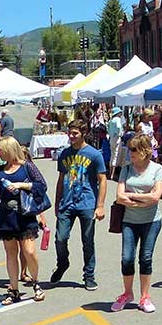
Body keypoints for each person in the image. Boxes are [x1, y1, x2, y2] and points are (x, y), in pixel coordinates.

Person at [0, 137, 47, 304]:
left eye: (0, 150)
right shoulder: (0, 170)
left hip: (24, 214)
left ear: (9, 150)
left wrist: (21, 185)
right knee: (11, 253)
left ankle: (36, 282)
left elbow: (41, 186)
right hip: (7, 216)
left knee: (29, 252)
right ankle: (14, 289)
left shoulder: (27, 166)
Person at [50, 119, 107, 291]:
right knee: (60, 238)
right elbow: (61, 180)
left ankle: (89, 275)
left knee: (87, 240)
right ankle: (62, 263)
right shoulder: (64, 154)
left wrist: (100, 205)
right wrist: (57, 201)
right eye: (70, 132)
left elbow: (102, 180)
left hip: (87, 203)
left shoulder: (94, 154)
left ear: (83, 133)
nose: (71, 136)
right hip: (66, 203)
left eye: (75, 133)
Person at [112, 135, 162, 312]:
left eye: (134, 151)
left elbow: (156, 197)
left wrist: (132, 196)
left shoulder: (157, 169)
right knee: (127, 257)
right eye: (129, 150)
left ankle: (144, 296)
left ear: (145, 151)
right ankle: (127, 293)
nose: (130, 154)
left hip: (151, 221)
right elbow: (119, 196)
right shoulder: (126, 169)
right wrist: (144, 197)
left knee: (145, 257)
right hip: (129, 220)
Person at [107, 107, 128, 176]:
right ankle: (112, 174)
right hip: (117, 138)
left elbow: (108, 129)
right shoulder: (117, 119)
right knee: (116, 155)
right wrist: (120, 134)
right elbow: (119, 127)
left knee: (112, 154)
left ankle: (110, 172)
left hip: (111, 138)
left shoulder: (111, 120)